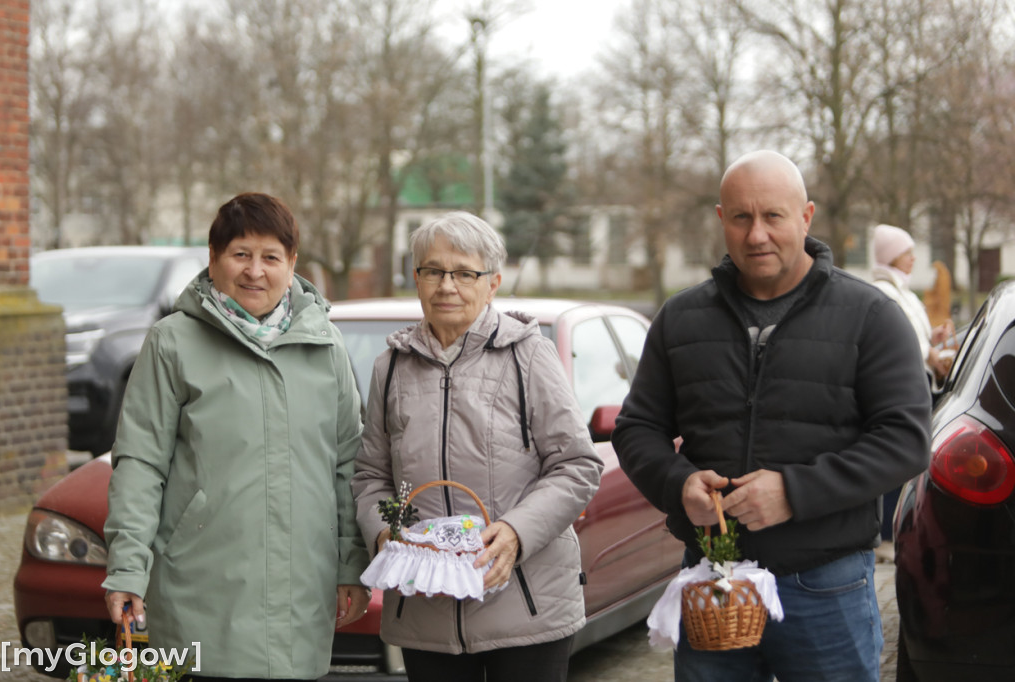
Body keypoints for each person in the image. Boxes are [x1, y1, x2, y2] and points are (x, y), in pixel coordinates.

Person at [612, 150, 932, 682]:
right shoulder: (680, 318)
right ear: (721, 220)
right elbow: (637, 428)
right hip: (714, 580)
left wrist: (793, 492)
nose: (757, 234)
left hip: (826, 585)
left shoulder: (871, 317)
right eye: (741, 217)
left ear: (805, 217)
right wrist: (679, 484)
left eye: (773, 216)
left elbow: (905, 440)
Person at [102, 193, 370, 681]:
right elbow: (140, 464)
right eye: (240, 254)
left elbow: (349, 464)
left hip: (301, 594)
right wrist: (126, 568)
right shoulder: (172, 342)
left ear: (291, 264)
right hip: (200, 589)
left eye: (270, 257)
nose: (255, 271)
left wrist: (351, 564)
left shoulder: (325, 344)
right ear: (213, 257)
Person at [351, 211, 603, 682]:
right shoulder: (391, 367)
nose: (447, 285)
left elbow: (577, 465)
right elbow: (371, 476)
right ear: (417, 278)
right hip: (425, 610)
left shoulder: (528, 354)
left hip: (525, 606)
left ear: (492, 284)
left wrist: (515, 533)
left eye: (465, 273)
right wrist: (385, 537)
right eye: (434, 271)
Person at [870, 223, 955, 387]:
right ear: (892, 257)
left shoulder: (904, 292)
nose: (913, 258)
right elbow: (892, 340)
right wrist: (928, 353)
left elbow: (909, 333)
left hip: (918, 381)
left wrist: (930, 336)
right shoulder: (884, 292)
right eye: (907, 253)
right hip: (906, 384)